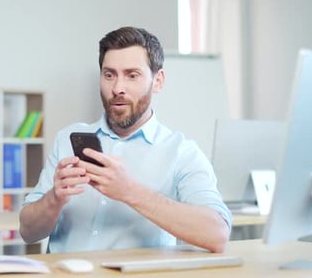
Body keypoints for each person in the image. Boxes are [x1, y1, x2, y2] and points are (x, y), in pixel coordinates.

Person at [19, 26, 232, 253]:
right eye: (109, 75)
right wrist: (55, 198)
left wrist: (130, 191)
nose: (117, 88)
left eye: (132, 75)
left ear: (158, 81)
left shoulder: (182, 153)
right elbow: (28, 233)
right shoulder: (67, 140)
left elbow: (217, 234)